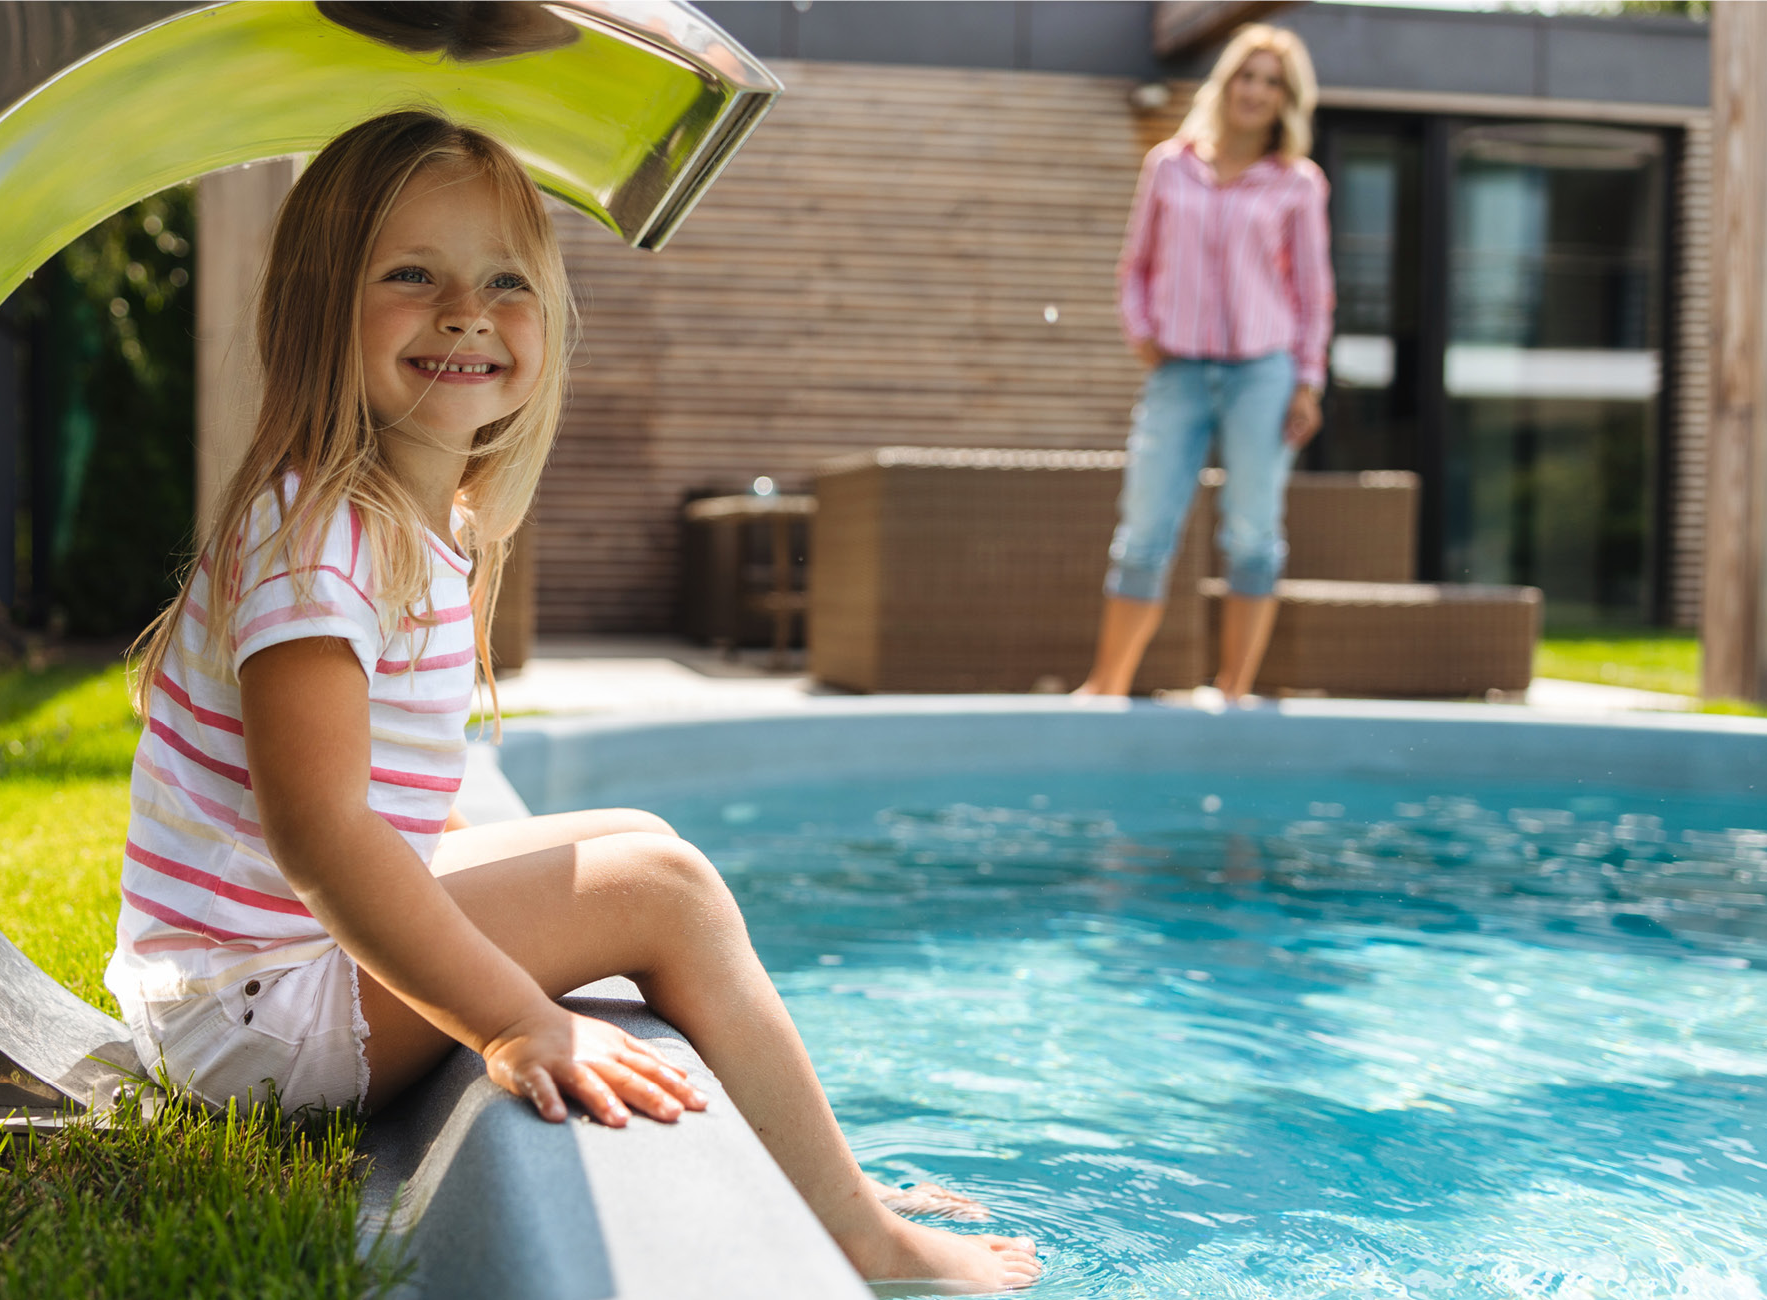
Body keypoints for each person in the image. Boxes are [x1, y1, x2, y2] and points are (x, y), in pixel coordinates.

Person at [109, 111, 1041, 1294]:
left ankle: (813, 1170)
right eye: (412, 275)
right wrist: (509, 1020)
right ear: (317, 306)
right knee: (666, 894)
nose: (465, 311)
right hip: (248, 1017)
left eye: (506, 280)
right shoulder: (322, 538)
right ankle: (858, 1232)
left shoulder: (415, 523)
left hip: (259, 983)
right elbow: (322, 836)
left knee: (640, 843)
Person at [1081, 24, 1334, 701]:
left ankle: (1233, 693)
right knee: (1143, 530)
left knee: (1252, 531)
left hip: (1264, 372)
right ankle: (1106, 690)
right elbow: (1135, 265)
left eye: (1271, 81)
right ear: (1226, 83)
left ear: (1286, 99)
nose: (1255, 90)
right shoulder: (1169, 164)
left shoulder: (1299, 184)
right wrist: (1141, 331)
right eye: (1246, 76)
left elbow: (1314, 293)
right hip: (1179, 371)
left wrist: (1308, 381)